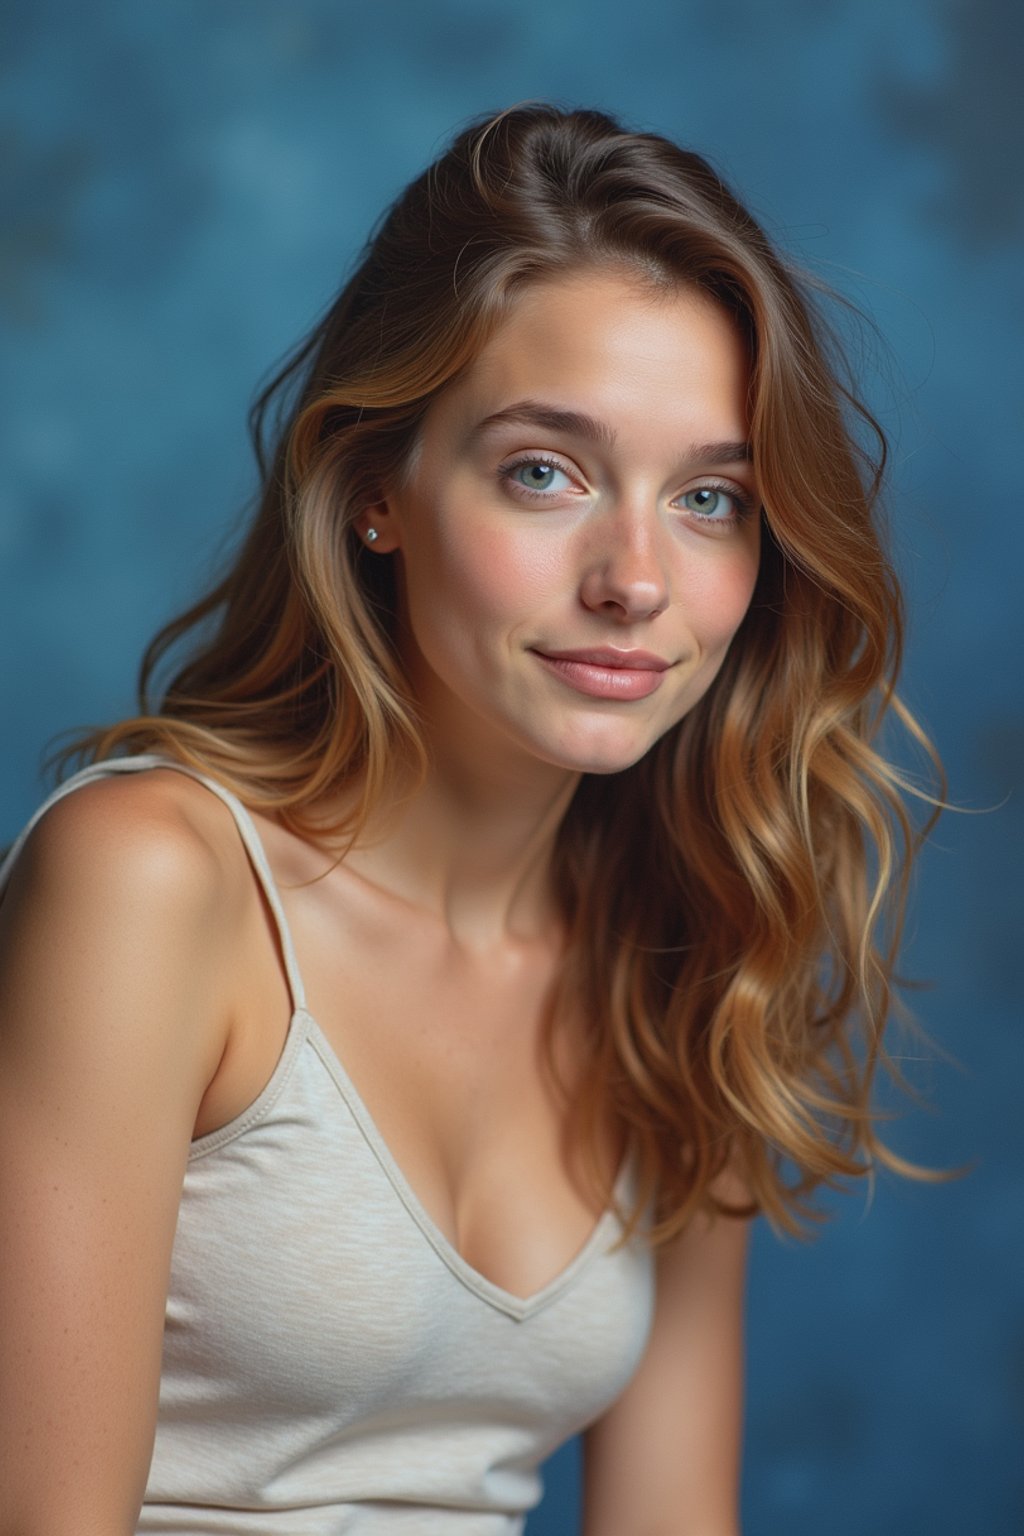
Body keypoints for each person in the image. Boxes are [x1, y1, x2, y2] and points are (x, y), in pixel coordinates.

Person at [0, 104, 938, 1535]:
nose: (636, 579)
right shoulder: (152, 884)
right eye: (545, 472)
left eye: (708, 499)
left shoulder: (693, 947)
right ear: (379, 490)